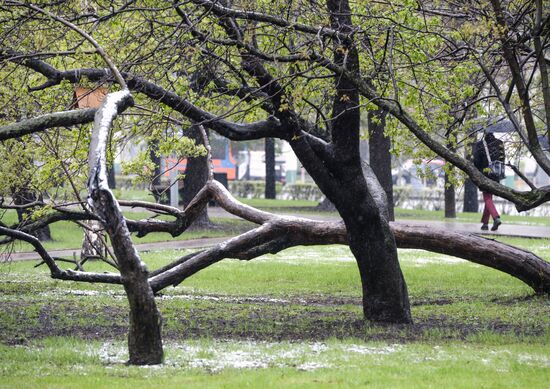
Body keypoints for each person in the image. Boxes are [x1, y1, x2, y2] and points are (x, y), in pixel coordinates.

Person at [473, 132, 505, 231]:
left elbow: (476, 162)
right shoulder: (500, 143)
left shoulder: (479, 145)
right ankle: (485, 223)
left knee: (487, 197)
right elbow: (503, 159)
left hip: (485, 174)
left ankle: (496, 217)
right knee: (489, 197)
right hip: (496, 174)